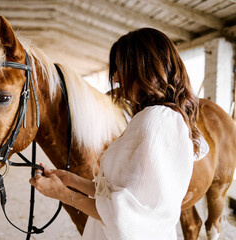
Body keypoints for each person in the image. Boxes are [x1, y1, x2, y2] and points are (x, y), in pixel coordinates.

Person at [29, 28, 208, 239]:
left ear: (143, 69)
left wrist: (61, 194)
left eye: (120, 69)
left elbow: (128, 216)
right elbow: (121, 195)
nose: (115, 78)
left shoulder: (157, 121)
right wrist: (72, 180)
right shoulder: (154, 117)